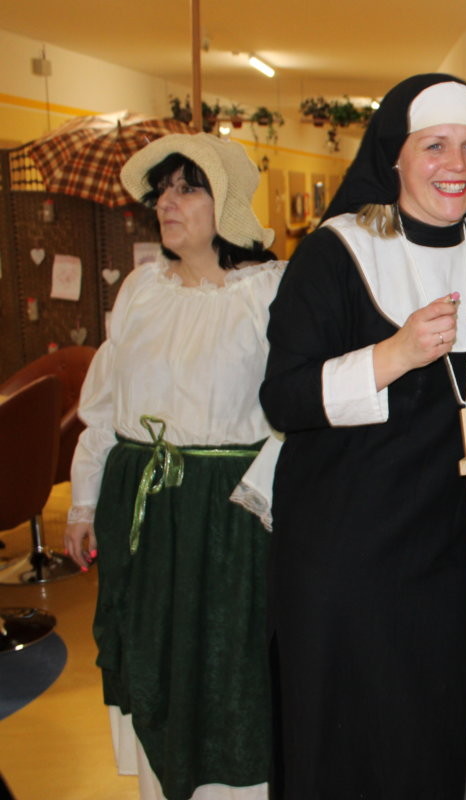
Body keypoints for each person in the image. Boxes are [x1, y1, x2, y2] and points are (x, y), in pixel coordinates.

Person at [259, 73, 466, 798]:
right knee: (341, 742)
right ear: (394, 156)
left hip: (440, 547)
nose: (457, 164)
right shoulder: (336, 253)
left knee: (429, 732)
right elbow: (284, 396)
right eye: (434, 145)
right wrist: (394, 354)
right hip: (340, 549)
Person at [62, 133, 284, 800]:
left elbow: (297, 411)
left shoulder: (269, 292)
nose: (167, 202)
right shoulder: (142, 289)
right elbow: (106, 404)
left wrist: (267, 506)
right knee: (153, 655)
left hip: (230, 519)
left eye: (188, 188)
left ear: (227, 203)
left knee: (226, 667)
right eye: (162, 190)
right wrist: (82, 500)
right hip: (142, 515)